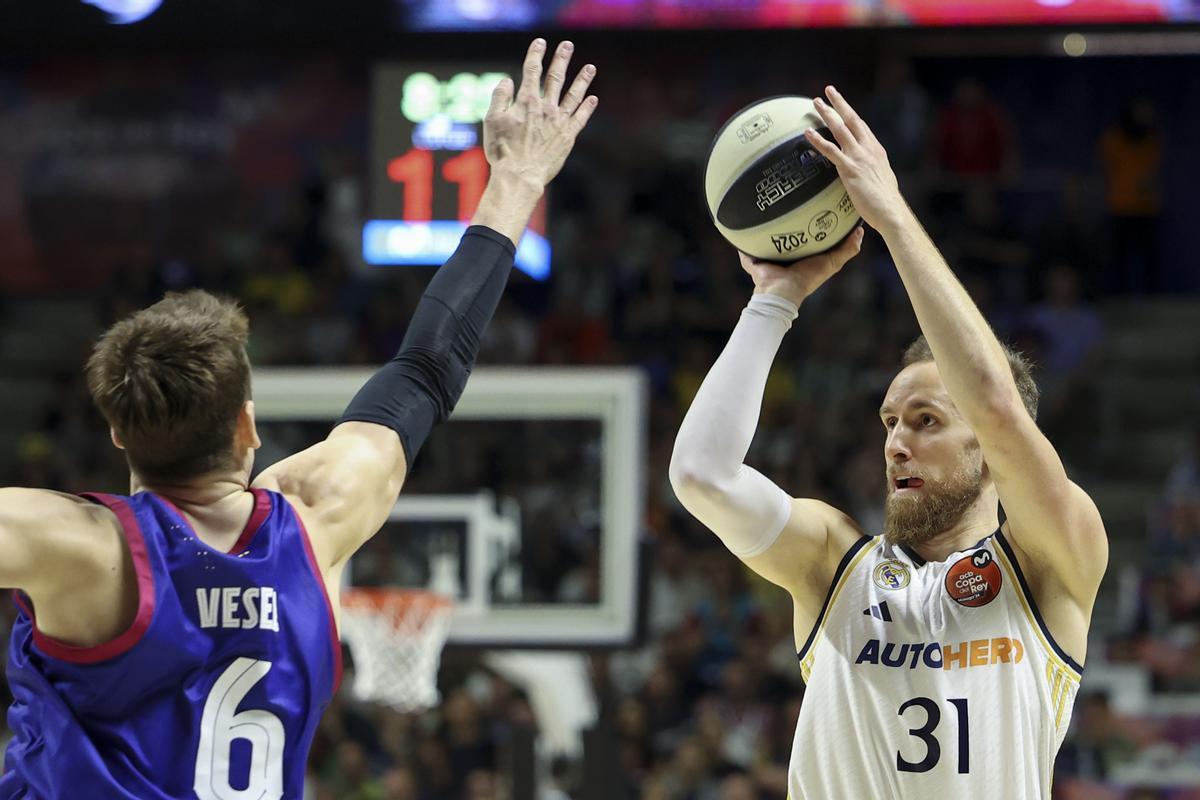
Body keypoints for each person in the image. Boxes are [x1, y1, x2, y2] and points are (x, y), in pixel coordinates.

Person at [0, 38, 597, 799]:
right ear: (247, 424)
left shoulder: (80, 547)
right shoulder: (318, 522)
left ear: (118, 431)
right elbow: (425, 367)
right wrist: (515, 181)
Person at [670, 86, 1107, 798]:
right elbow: (700, 475)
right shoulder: (833, 563)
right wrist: (774, 299)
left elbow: (995, 405)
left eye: (927, 420)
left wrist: (891, 214)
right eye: (890, 422)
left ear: (992, 452)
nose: (896, 442)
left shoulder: (1051, 560)